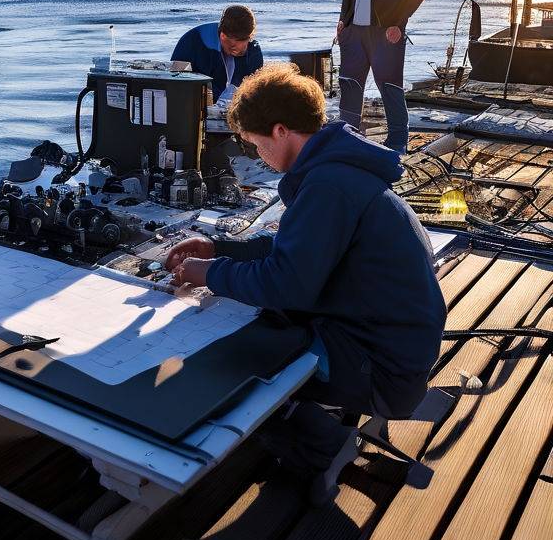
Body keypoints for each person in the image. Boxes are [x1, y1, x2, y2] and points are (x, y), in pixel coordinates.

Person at [165, 63, 445, 489]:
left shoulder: (327, 187)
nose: (256, 155)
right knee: (264, 322)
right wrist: (219, 248)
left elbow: (287, 285)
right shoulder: (336, 169)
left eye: (256, 144)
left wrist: (211, 274)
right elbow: (294, 251)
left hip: (384, 368)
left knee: (241, 357)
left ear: (280, 131)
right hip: (395, 340)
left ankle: (318, 444)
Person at [336, 0, 430, 155]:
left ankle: (398, 141)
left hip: (387, 30)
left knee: (389, 85)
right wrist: (344, 19)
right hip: (355, 29)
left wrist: (399, 22)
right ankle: (348, 136)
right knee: (349, 83)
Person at [171, 5, 264, 105]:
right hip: (197, 104)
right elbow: (175, 80)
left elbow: (257, 89)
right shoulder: (192, 41)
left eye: (246, 41)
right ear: (223, 36)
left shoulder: (253, 49)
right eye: (233, 47)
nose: (240, 50)